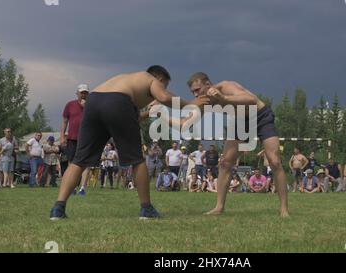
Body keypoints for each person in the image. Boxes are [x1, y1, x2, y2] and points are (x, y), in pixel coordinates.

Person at [49, 65, 208, 220]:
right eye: (163, 85)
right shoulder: (148, 78)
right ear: (158, 79)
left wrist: (148, 113)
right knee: (137, 160)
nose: (159, 92)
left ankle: (58, 208)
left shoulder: (127, 82)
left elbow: (132, 117)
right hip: (118, 101)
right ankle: (146, 208)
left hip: (94, 101)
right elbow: (164, 97)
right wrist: (191, 104)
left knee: (79, 160)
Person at [187, 72, 289, 217]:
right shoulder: (205, 102)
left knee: (275, 161)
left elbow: (251, 100)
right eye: (193, 92)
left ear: (208, 85)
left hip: (260, 116)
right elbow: (188, 114)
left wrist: (223, 98)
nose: (196, 95)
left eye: (198, 90)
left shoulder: (226, 87)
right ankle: (219, 207)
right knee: (225, 162)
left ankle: (284, 209)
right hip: (241, 123)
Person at [61, 84, 91, 194]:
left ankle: (82, 188)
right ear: (77, 93)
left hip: (87, 138)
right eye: (82, 92)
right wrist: (62, 136)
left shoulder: (91, 105)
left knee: (85, 163)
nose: (84, 95)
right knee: (72, 163)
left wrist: (86, 107)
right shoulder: (70, 105)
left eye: (86, 93)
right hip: (72, 138)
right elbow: (65, 122)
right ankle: (72, 186)